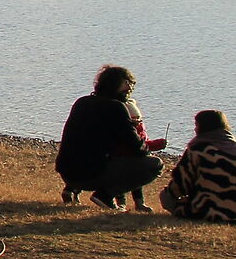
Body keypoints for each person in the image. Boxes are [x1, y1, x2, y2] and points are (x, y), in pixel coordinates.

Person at [55, 64, 166, 211]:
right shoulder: (116, 107)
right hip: (90, 175)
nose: (129, 88)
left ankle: (78, 191)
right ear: (116, 83)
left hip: (67, 173)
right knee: (155, 164)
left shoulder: (82, 102)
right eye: (127, 83)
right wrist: (148, 147)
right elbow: (137, 147)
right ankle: (105, 196)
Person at [160, 110, 236, 226]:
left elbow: (180, 185)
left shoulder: (198, 149)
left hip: (208, 210)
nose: (195, 130)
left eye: (196, 125)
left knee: (165, 197)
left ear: (203, 127)